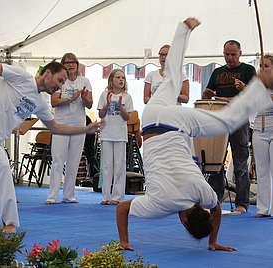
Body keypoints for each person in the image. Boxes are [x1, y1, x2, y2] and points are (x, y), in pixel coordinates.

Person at [116, 17, 273, 252]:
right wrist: (124, 242)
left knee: (223, 117)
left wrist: (213, 240)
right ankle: (262, 83)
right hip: (152, 120)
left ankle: (185, 30)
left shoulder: (204, 194)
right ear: (184, 221)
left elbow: (217, 210)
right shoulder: (159, 206)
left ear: (202, 213)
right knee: (177, 81)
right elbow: (121, 208)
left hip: (174, 122)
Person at [0, 55, 100, 233]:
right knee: (2, 166)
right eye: (60, 80)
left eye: (63, 83)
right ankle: (10, 223)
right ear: (47, 73)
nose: (60, 86)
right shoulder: (21, 76)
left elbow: (56, 127)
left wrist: (85, 129)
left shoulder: (41, 103)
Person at [202, 40, 256, 211]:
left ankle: (242, 203)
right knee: (215, 161)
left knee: (240, 162)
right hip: (220, 119)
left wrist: (244, 89)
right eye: (227, 54)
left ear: (241, 53)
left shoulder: (248, 70)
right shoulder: (218, 72)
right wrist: (208, 94)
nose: (230, 57)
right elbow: (207, 95)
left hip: (239, 120)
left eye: (233, 54)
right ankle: (215, 201)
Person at [46, 52, 93, 204]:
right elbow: (54, 102)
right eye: (67, 62)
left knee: (74, 161)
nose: (70, 64)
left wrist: (85, 98)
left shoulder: (84, 81)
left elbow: (90, 104)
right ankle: (52, 195)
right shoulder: (61, 81)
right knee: (58, 160)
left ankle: (69, 194)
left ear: (77, 64)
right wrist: (71, 98)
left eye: (73, 62)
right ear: (62, 65)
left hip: (79, 125)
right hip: (60, 125)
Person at [98, 69, 134, 205]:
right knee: (107, 166)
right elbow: (101, 115)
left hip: (120, 135)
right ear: (112, 79)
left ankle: (117, 196)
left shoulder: (127, 96)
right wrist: (107, 104)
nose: (121, 80)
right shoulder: (104, 94)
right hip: (106, 133)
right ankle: (106, 196)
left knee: (119, 166)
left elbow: (127, 117)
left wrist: (121, 107)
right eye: (118, 77)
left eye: (123, 78)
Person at [252, 55, 273, 218]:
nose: (262, 68)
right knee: (261, 169)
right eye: (261, 65)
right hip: (259, 128)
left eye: (266, 65)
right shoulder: (257, 85)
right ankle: (263, 208)